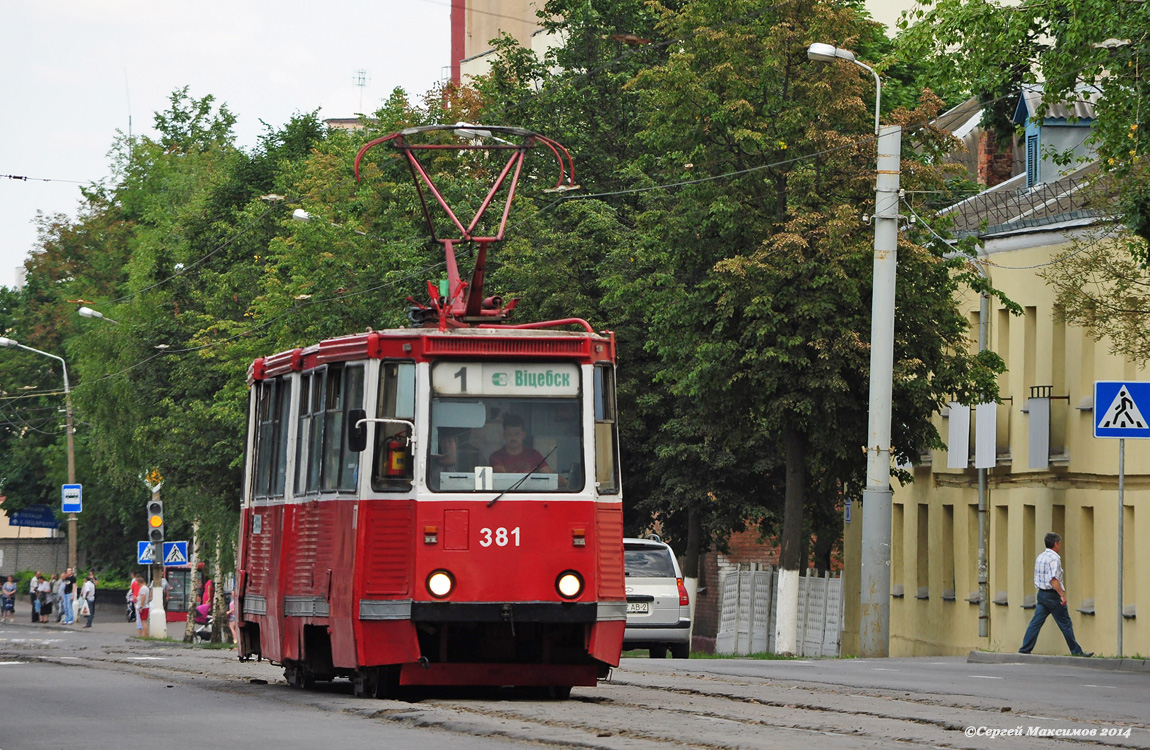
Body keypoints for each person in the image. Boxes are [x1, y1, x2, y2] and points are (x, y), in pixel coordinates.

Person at [1019, 532, 1093, 657]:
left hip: (1041, 594)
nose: (1060, 546)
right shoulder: (1054, 559)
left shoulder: (1040, 557)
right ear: (1056, 544)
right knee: (1065, 623)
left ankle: (1025, 649)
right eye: (1059, 543)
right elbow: (1054, 579)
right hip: (1053, 596)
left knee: (1036, 622)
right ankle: (1076, 651)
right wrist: (1062, 595)